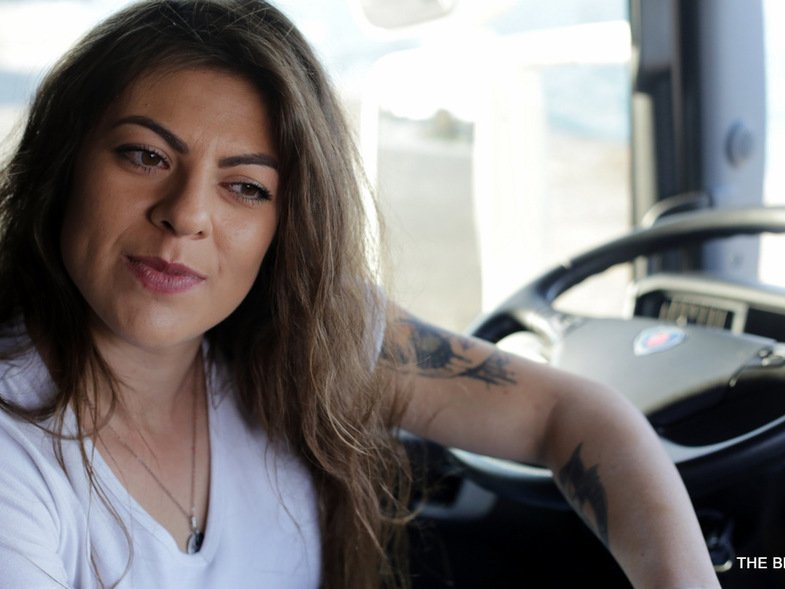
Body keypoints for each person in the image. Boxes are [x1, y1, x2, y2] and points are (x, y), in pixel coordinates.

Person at [0, 0, 720, 587]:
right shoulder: (16, 455)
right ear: (64, 165)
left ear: (286, 224)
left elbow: (571, 413)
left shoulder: (306, 337)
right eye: (145, 155)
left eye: (245, 187)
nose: (187, 214)